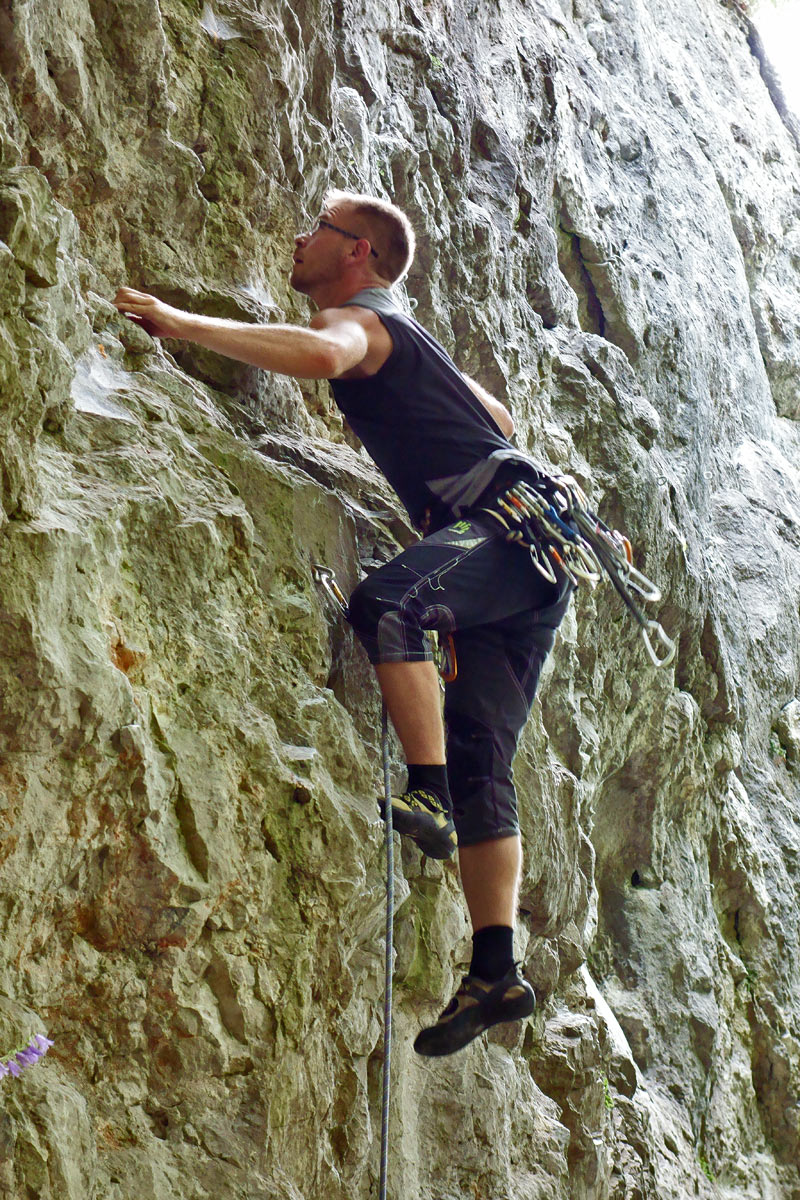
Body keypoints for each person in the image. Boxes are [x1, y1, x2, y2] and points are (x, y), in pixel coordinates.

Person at [114, 190, 571, 1056]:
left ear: (355, 252)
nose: (295, 237)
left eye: (313, 229)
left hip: (502, 537)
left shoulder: (365, 323)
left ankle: (425, 793)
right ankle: (494, 967)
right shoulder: (412, 338)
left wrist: (184, 321)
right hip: (530, 558)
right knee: (486, 756)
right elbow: (501, 422)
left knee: (390, 603)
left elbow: (325, 353)